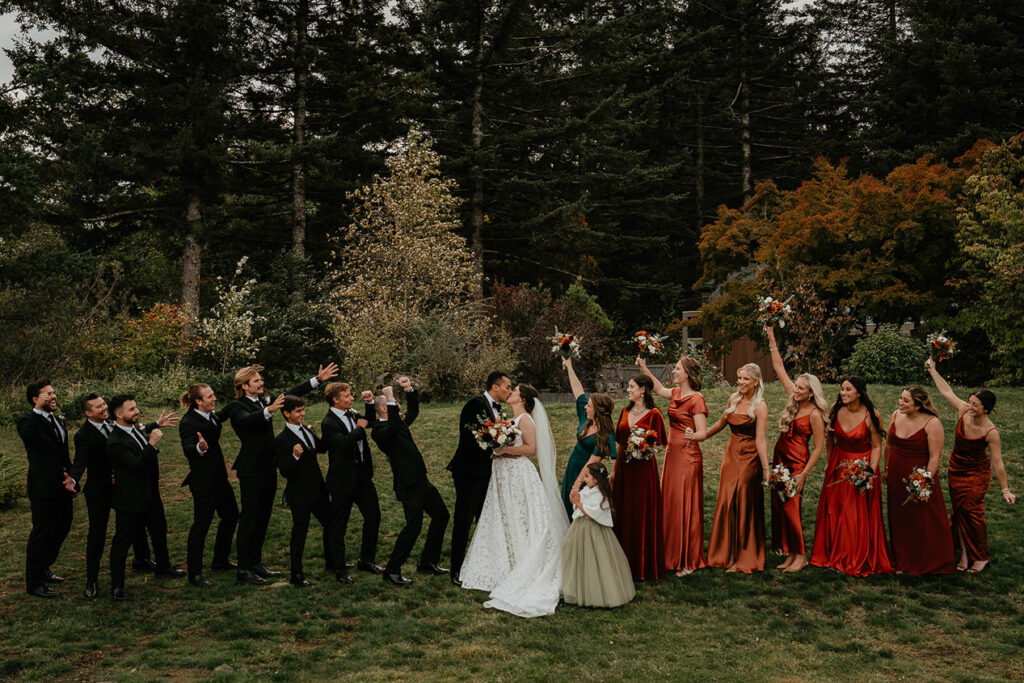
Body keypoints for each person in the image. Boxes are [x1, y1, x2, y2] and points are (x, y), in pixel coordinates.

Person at [459, 384, 569, 617]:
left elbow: (530, 448)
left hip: (517, 473)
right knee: (506, 515)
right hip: (503, 474)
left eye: (515, 390)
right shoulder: (511, 418)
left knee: (521, 517)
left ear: (524, 397)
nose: (511, 392)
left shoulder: (525, 420)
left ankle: (524, 560)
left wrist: (503, 451)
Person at [223, 362, 337, 585]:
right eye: (256, 381)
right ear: (245, 386)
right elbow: (246, 420)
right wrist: (269, 410)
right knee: (249, 517)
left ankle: (256, 562)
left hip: (269, 466)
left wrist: (318, 380)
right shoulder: (237, 406)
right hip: (251, 469)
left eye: (260, 380)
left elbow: (290, 393)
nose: (261, 383)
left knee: (263, 516)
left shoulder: (263, 400)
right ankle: (244, 568)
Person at [926, 358, 1015, 572]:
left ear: (987, 409)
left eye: (976, 405)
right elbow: (947, 392)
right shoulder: (963, 411)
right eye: (970, 402)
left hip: (977, 474)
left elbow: (997, 462)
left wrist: (1005, 489)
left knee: (972, 511)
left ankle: (981, 557)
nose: (971, 407)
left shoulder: (991, 432)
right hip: (956, 468)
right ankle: (965, 553)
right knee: (959, 512)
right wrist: (933, 371)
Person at [70, 393, 158, 599]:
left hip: (120, 487)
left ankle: (142, 559)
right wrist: (73, 480)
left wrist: (155, 423)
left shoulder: (111, 424)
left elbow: (130, 431)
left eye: (103, 404)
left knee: (131, 524)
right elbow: (80, 461)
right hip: (99, 490)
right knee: (97, 533)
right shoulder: (83, 435)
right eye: (98, 407)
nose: (104, 408)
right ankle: (91, 580)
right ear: (88, 413)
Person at [809, 376, 894, 576]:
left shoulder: (872, 415)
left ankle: (852, 556)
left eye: (848, 389)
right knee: (835, 510)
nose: (843, 393)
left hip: (862, 466)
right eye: (842, 389)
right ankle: (834, 554)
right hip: (839, 464)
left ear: (859, 392)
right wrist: (830, 462)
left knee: (853, 513)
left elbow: (876, 446)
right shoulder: (835, 410)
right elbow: (830, 439)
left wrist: (869, 473)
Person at [690, 363, 770, 573]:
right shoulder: (733, 400)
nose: (741, 382)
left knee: (743, 502)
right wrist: (700, 436)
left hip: (750, 458)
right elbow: (719, 424)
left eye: (745, 379)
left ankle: (744, 557)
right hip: (731, 456)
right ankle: (727, 554)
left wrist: (766, 468)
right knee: (727, 501)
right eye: (740, 378)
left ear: (755, 382)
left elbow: (761, 440)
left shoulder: (760, 406)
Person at [371, 378, 450, 586]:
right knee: (413, 527)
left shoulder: (396, 422)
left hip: (420, 479)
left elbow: (413, 412)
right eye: (394, 403)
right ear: (383, 408)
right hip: (408, 484)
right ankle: (392, 570)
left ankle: (427, 561)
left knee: (441, 515)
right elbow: (395, 428)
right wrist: (389, 397)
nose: (398, 405)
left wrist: (408, 389)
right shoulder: (379, 431)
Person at [108, 394, 186, 601]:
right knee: (122, 543)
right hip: (130, 499)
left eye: (136, 408)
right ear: (119, 414)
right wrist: (151, 444)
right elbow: (134, 466)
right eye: (132, 409)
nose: (137, 412)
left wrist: (154, 426)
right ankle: (117, 587)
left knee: (159, 531)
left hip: (150, 493)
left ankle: (163, 567)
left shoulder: (134, 429)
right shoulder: (115, 441)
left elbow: (141, 429)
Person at [764, 326, 827, 572]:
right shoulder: (794, 401)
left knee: (792, 510)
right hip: (779, 460)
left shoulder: (814, 414)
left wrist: (803, 474)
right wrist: (771, 338)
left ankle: (801, 555)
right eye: (797, 386)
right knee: (781, 507)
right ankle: (790, 554)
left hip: (797, 464)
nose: (797, 389)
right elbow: (779, 368)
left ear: (811, 393)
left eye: (801, 388)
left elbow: (819, 449)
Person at [639, 355, 708, 576]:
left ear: (687, 373)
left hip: (688, 457)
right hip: (672, 455)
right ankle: (669, 553)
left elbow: (703, 432)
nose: (674, 372)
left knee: (684, 504)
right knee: (670, 503)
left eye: (677, 369)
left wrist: (693, 434)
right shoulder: (676, 393)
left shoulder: (697, 399)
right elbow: (659, 390)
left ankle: (688, 559)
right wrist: (645, 368)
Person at [448, 371, 512, 586]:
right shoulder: (475, 405)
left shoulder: (497, 409)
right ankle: (456, 570)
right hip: (469, 472)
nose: (509, 391)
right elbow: (474, 438)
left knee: (482, 520)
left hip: (485, 472)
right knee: (463, 520)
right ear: (495, 387)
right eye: (507, 387)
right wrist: (497, 440)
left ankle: (477, 564)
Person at [884, 385, 955, 575]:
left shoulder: (932, 423)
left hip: (920, 477)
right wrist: (886, 469)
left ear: (918, 405)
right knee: (900, 517)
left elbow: (934, 457)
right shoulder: (896, 415)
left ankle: (930, 560)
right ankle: (902, 558)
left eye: (906, 400)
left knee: (924, 519)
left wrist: (922, 483)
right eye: (901, 398)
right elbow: (889, 444)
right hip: (897, 475)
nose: (900, 402)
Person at [18, 380, 77, 598]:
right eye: (47, 394)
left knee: (62, 526)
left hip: (62, 485)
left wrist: (71, 476)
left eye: (54, 393)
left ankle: (44, 566)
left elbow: (62, 452)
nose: (53, 396)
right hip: (43, 488)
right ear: (35, 399)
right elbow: (29, 437)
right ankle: (34, 583)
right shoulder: (27, 421)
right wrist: (37, 410)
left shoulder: (57, 419)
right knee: (41, 533)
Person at [178, 383, 240, 588]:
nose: (214, 398)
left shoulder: (211, 415)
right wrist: (199, 447)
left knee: (231, 515)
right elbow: (188, 447)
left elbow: (221, 417)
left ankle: (220, 560)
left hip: (219, 478)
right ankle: (194, 574)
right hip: (203, 482)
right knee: (201, 526)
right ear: (198, 401)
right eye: (209, 396)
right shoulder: (188, 422)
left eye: (213, 394)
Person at [321, 382, 383, 583]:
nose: (350, 398)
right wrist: (359, 429)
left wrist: (369, 403)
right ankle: (338, 568)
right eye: (346, 396)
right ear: (335, 400)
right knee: (339, 525)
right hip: (342, 481)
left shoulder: (352, 413)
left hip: (362, 477)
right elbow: (343, 444)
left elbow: (369, 421)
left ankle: (366, 560)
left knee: (373, 516)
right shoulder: (328, 422)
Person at [274, 395, 333, 587]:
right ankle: (296, 574)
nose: (302, 414)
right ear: (286, 413)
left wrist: (330, 430)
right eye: (298, 411)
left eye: (302, 410)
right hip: (299, 494)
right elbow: (284, 470)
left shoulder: (306, 431)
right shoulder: (282, 439)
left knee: (331, 524)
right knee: (300, 532)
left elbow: (322, 448)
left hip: (318, 490)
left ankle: (332, 562)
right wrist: (294, 456)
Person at [611, 373, 666, 580]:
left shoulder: (654, 415)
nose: (628, 390)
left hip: (643, 470)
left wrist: (645, 451)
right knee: (622, 511)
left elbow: (661, 444)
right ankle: (620, 563)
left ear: (643, 389)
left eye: (632, 386)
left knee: (641, 512)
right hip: (624, 468)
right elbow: (619, 440)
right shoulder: (625, 411)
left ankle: (642, 566)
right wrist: (616, 469)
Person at [561, 462, 635, 608]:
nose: (584, 479)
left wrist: (580, 504)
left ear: (596, 479)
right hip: (579, 529)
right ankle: (578, 588)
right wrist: (574, 500)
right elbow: (578, 503)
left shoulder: (601, 495)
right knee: (577, 556)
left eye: (587, 476)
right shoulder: (587, 490)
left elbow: (593, 514)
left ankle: (597, 591)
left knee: (595, 559)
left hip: (594, 531)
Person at [560, 357, 618, 519]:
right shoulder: (586, 419)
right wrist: (569, 366)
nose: (586, 407)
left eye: (589, 405)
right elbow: (578, 391)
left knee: (579, 508)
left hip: (587, 474)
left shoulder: (604, 434)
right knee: (565, 503)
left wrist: (577, 484)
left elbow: (591, 461)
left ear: (597, 409)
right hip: (572, 466)